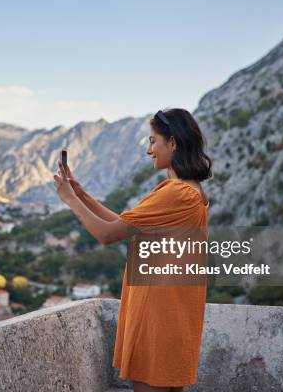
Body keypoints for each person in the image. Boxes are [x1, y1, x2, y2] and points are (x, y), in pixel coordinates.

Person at [53, 108, 212, 392]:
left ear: (173, 143)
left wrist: (69, 200)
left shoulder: (176, 193)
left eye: (153, 141)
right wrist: (82, 195)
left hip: (157, 317)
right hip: (173, 314)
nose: (150, 150)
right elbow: (123, 223)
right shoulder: (189, 191)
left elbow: (106, 234)